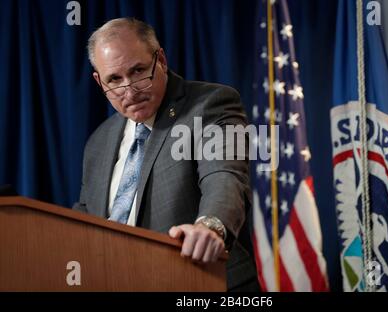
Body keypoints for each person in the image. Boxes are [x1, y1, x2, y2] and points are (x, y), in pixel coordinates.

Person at [73, 17, 259, 291]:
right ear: (99, 82)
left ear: (160, 59)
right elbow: (86, 219)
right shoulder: (98, 142)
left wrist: (210, 226)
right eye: (115, 79)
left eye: (138, 71)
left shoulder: (210, 104)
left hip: (204, 283)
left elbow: (224, 175)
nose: (130, 90)